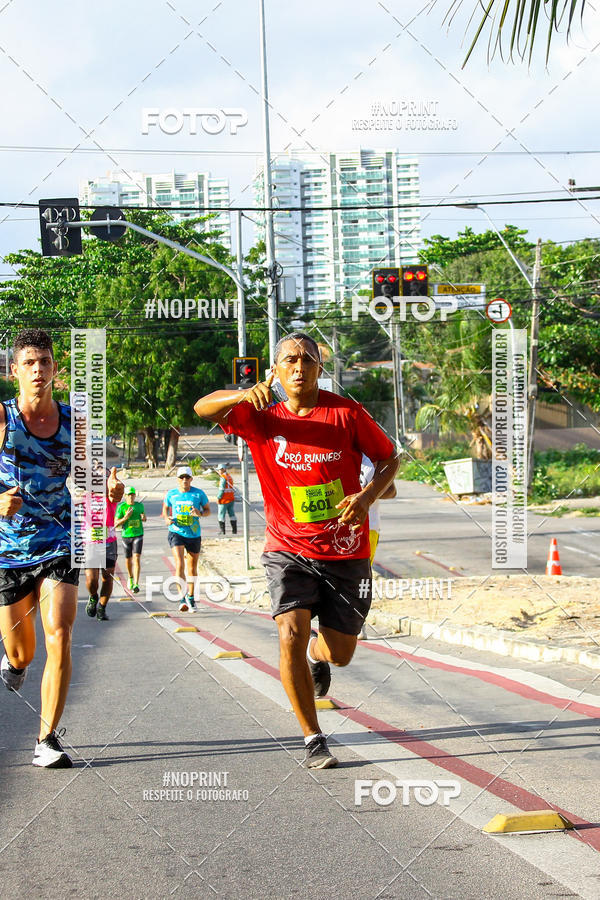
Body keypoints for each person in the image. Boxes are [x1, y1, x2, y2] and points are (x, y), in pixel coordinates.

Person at [194, 332, 398, 769]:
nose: (299, 367)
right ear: (277, 369)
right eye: (290, 360)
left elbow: (389, 459)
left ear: (320, 368)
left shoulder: (346, 413)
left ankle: (315, 654)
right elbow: (202, 407)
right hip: (287, 548)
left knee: (340, 653)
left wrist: (366, 497)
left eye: (308, 360)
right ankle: (312, 738)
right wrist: (244, 393)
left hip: (346, 551)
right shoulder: (258, 415)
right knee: (289, 632)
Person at [0, 328, 122, 768]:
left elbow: (92, 487)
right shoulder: (2, 419)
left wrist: (108, 491)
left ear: (56, 369)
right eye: (29, 363)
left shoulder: (77, 422)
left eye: (45, 362)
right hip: (7, 551)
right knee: (22, 652)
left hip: (57, 542)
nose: (38, 370)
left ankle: (47, 739)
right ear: (14, 371)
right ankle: (14, 666)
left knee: (61, 634)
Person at [162, 466, 210, 613]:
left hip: (194, 534)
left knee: (192, 568)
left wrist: (199, 513)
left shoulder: (198, 494)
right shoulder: (172, 494)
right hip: (176, 532)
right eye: (182, 477)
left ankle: (191, 597)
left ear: (191, 479)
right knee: (179, 564)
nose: (184, 480)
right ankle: (182, 598)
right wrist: (167, 518)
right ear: (178, 479)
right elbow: (165, 510)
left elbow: (208, 511)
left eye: (187, 478)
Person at [84, 476, 122, 622]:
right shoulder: (85, 496)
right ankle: (93, 596)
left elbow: (117, 491)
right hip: (90, 542)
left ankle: (102, 607)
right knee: (91, 579)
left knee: (107, 577)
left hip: (109, 541)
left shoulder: (111, 496)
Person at [115, 486, 146, 592]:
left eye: (132, 495)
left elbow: (144, 517)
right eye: (129, 495)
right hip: (126, 535)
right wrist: (126, 517)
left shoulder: (139, 505)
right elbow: (116, 523)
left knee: (136, 558)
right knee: (128, 560)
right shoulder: (122, 507)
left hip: (138, 534)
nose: (131, 497)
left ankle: (136, 584)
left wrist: (143, 518)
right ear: (125, 496)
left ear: (135, 495)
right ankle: (130, 577)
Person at [216, 463, 237, 535]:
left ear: (222, 469)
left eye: (219, 470)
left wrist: (218, 498)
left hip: (224, 499)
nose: (218, 471)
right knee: (232, 514)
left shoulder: (223, 477)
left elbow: (221, 489)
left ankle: (222, 531)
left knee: (221, 515)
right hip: (231, 498)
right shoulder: (229, 476)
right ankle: (234, 530)